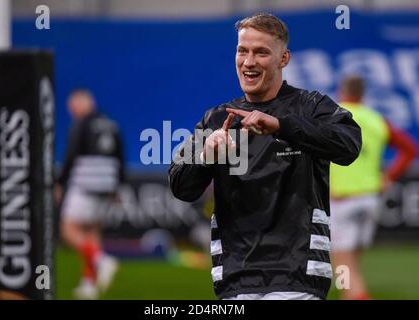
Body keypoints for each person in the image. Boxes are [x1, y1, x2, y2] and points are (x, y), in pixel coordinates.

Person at [168, 13, 362, 300]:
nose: (248, 61)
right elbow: (180, 187)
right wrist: (206, 155)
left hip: (297, 277)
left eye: (261, 52)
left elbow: (349, 145)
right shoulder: (217, 118)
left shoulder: (311, 105)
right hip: (235, 280)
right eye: (242, 51)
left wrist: (282, 126)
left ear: (283, 59)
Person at [330, 76, 418, 300]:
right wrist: (390, 176)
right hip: (370, 200)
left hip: (342, 201)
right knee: (352, 268)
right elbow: (410, 148)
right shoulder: (376, 119)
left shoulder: (331, 116)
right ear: (363, 93)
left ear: (342, 90)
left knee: (343, 271)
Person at [55, 89, 126, 299]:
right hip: (107, 184)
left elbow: (70, 154)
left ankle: (101, 260)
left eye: (73, 107)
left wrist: (60, 182)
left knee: (68, 230)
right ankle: (89, 284)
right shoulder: (111, 123)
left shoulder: (81, 123)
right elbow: (120, 157)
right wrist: (118, 186)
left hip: (86, 182)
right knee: (93, 234)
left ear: (80, 104)